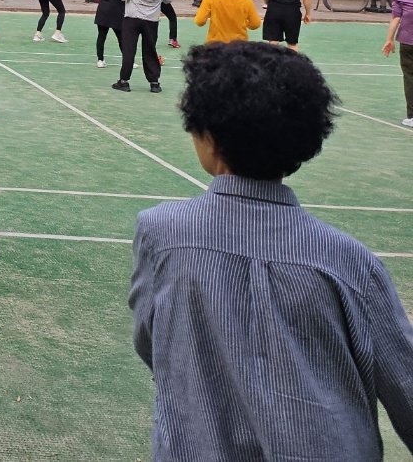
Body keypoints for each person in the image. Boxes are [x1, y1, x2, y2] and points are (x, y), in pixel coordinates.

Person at [129, 42, 413, 461]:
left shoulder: (161, 232)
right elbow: (405, 383)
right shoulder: (349, 260)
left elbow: (151, 341)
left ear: (207, 136)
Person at [114, 0, 172, 94]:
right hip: (151, 19)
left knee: (129, 49)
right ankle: (154, 82)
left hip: (132, 17)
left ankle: (124, 81)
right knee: (150, 49)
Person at [382, 0, 413, 128]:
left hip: (407, 43)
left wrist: (389, 40)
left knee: (410, 77)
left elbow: (395, 19)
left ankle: (412, 116)